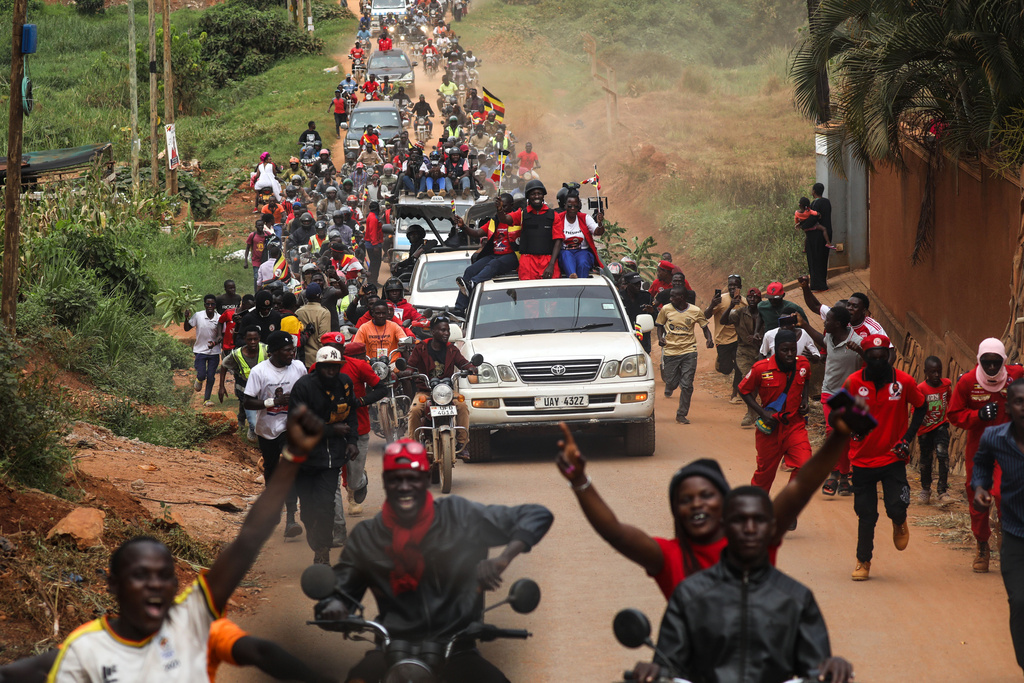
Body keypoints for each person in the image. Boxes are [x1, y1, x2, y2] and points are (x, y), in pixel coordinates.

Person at [45, 406, 323, 682]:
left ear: (176, 586)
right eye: (140, 576)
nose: (155, 584)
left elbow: (248, 540)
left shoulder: (190, 623)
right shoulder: (83, 652)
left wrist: (292, 457)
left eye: (165, 576)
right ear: (113, 585)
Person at [555, 404, 872, 600]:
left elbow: (799, 489)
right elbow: (616, 532)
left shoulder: (752, 541)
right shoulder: (669, 558)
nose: (696, 504)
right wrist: (580, 482)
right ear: (676, 512)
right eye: (686, 500)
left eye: (706, 496)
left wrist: (839, 436)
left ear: (725, 506)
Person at [317, 440, 553, 683]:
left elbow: (537, 514)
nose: (405, 487)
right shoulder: (367, 536)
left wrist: (503, 559)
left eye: (413, 478)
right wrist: (334, 606)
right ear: (385, 483)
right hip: (393, 648)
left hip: (456, 649)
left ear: (426, 479)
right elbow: (342, 590)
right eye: (396, 479)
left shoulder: (459, 515)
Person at [629, 487, 854, 683]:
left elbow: (816, 669)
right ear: (723, 526)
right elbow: (669, 665)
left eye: (759, 520)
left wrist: (832, 667)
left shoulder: (797, 599)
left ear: (772, 527)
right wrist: (655, 670)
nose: (749, 528)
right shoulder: (689, 595)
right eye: (739, 520)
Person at [844, 334, 927, 581]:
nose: (879, 361)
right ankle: (863, 561)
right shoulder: (852, 382)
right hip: (861, 459)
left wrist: (907, 438)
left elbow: (921, 406)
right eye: (873, 357)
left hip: (893, 457)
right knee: (866, 514)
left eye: (883, 357)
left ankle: (899, 520)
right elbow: (839, 413)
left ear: (889, 357)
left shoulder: (903, 381)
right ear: (866, 358)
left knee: (896, 506)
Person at [948, 337, 1024, 572]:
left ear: (1003, 360)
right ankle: (982, 545)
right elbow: (953, 414)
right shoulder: (968, 382)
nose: (991, 368)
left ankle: (1007, 533)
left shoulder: (1016, 375)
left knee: (1004, 493)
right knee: (978, 500)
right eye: (986, 362)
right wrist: (977, 416)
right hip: (979, 451)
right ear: (979, 360)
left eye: (996, 362)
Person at [288, 346, 359, 563]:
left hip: (331, 458)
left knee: (327, 505)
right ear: (317, 367)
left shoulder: (345, 384)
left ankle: (322, 551)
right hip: (305, 458)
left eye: (335, 367)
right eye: (327, 367)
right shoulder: (303, 387)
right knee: (308, 510)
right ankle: (313, 532)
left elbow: (351, 412)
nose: (331, 371)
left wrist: (352, 441)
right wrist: (331, 430)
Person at [972, 377, 1024, 673]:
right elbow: (981, 464)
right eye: (1019, 401)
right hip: (1015, 535)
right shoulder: (995, 438)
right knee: (1019, 601)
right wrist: (980, 488)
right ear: (1009, 407)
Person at [243, 331, 309, 539]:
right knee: (271, 470)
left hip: (292, 427)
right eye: (287, 350)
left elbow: (308, 391)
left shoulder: (298, 367)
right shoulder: (259, 372)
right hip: (268, 428)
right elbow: (248, 402)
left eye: (292, 349)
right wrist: (274, 402)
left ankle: (291, 516)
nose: (291, 353)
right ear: (273, 352)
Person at [738, 329, 811, 498]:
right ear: (776, 349)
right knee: (765, 474)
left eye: (793, 349)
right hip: (770, 429)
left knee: (806, 465)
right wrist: (762, 413)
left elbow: (806, 379)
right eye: (785, 350)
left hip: (794, 425)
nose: (790, 354)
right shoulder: (761, 368)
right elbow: (743, 390)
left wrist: (805, 400)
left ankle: (788, 504)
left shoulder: (803, 364)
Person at [801, 304, 861, 495]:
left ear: (838, 323)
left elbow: (872, 359)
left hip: (848, 395)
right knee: (831, 430)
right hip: (829, 392)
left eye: (828, 320)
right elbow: (820, 338)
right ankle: (834, 472)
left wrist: (860, 351)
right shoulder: (830, 337)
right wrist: (804, 325)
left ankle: (843, 475)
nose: (825, 323)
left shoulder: (857, 341)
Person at [402, 317, 475, 453]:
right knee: (415, 410)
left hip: (447, 392)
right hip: (426, 392)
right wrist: (408, 371)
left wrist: (471, 367)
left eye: (447, 330)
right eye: (442, 330)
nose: (446, 333)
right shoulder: (421, 348)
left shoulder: (452, 349)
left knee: (462, 406)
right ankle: (413, 446)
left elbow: (463, 363)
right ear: (433, 331)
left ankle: (462, 443)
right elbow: (410, 365)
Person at [656, 286, 713, 425]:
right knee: (671, 382)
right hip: (670, 351)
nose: (670, 299)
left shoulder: (695, 311)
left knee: (687, 385)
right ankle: (672, 383)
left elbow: (705, 327)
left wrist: (709, 339)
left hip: (689, 351)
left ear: (681, 297)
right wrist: (660, 338)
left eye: (673, 296)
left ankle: (681, 414)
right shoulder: (666, 309)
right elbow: (659, 325)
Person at [492, 179, 562, 280]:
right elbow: (505, 219)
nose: (536, 196)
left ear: (543, 195)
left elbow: (558, 241)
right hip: (528, 262)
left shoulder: (553, 215)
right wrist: (499, 210)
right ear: (528, 197)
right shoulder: (522, 214)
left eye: (539, 193)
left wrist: (551, 265)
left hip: (548, 261)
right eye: (533, 194)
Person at [218, 326, 266, 442]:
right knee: (254, 422)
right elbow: (224, 365)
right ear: (245, 339)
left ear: (259, 338)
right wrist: (221, 386)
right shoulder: (237, 354)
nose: (253, 342)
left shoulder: (266, 349)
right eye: (250, 339)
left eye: (255, 339)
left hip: (263, 391)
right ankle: (252, 427)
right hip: (245, 391)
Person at [917, 355, 953, 504]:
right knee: (926, 459)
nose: (937, 375)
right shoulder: (920, 389)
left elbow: (950, 399)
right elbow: (916, 410)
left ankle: (942, 491)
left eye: (939, 371)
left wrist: (948, 416)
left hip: (941, 426)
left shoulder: (946, 385)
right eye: (933, 372)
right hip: (925, 429)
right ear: (926, 372)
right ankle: (925, 488)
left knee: (942, 455)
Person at [704, 275, 745, 403]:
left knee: (739, 366)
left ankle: (735, 394)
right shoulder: (721, 300)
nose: (733, 288)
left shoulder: (745, 302)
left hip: (739, 339)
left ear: (740, 287)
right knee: (726, 369)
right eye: (730, 285)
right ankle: (720, 362)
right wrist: (712, 304)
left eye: (736, 285)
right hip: (723, 339)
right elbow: (706, 315)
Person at [729, 286, 765, 428]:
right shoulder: (740, 312)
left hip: (762, 351)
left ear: (759, 299)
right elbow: (724, 320)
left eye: (755, 297)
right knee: (748, 380)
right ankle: (751, 412)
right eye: (749, 297)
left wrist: (760, 337)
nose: (751, 300)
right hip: (744, 350)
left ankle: (757, 412)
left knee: (761, 383)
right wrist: (732, 305)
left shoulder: (765, 313)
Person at [554, 192, 604, 278]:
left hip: (582, 251)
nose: (572, 208)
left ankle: (581, 282)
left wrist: (600, 223)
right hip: (565, 251)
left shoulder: (585, 218)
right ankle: (572, 275)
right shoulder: (559, 218)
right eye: (570, 206)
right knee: (566, 256)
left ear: (579, 206)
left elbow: (598, 232)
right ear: (565, 205)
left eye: (575, 206)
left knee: (583, 262)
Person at [185, 294, 222, 407]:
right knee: (201, 374)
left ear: (215, 305)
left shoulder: (219, 318)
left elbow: (221, 336)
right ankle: (199, 380)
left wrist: (215, 343)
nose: (210, 306)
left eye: (212, 304)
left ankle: (207, 399)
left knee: (211, 376)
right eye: (208, 304)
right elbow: (187, 328)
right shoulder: (198, 316)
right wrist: (186, 318)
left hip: (214, 351)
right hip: (200, 350)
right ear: (204, 305)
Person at [296, 283, 332, 369]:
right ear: (320, 296)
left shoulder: (298, 312)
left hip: (302, 360)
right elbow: (323, 340)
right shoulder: (324, 313)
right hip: (318, 360)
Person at [621, 271, 655, 353]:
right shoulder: (619, 297)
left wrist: (652, 311)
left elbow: (656, 320)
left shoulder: (646, 297)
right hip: (625, 338)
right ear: (627, 284)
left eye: (639, 283)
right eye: (635, 284)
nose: (638, 286)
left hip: (643, 338)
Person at [808, 182, 833, 291]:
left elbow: (813, 219)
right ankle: (823, 282)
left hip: (817, 235)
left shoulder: (814, 204)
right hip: (828, 233)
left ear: (814, 191)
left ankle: (817, 285)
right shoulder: (827, 202)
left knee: (815, 259)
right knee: (823, 258)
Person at [244, 221, 272, 293]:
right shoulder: (252, 235)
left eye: (262, 225)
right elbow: (247, 248)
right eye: (259, 226)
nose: (260, 227)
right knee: (257, 277)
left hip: (266, 260)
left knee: (267, 277)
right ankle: (257, 293)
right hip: (256, 260)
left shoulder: (267, 234)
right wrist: (245, 261)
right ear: (256, 226)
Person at [363, 201, 384, 286]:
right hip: (373, 244)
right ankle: (372, 282)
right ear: (377, 209)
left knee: (375, 263)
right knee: (375, 264)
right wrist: (375, 245)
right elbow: (373, 232)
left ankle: (373, 281)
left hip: (372, 243)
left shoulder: (371, 216)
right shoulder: (373, 218)